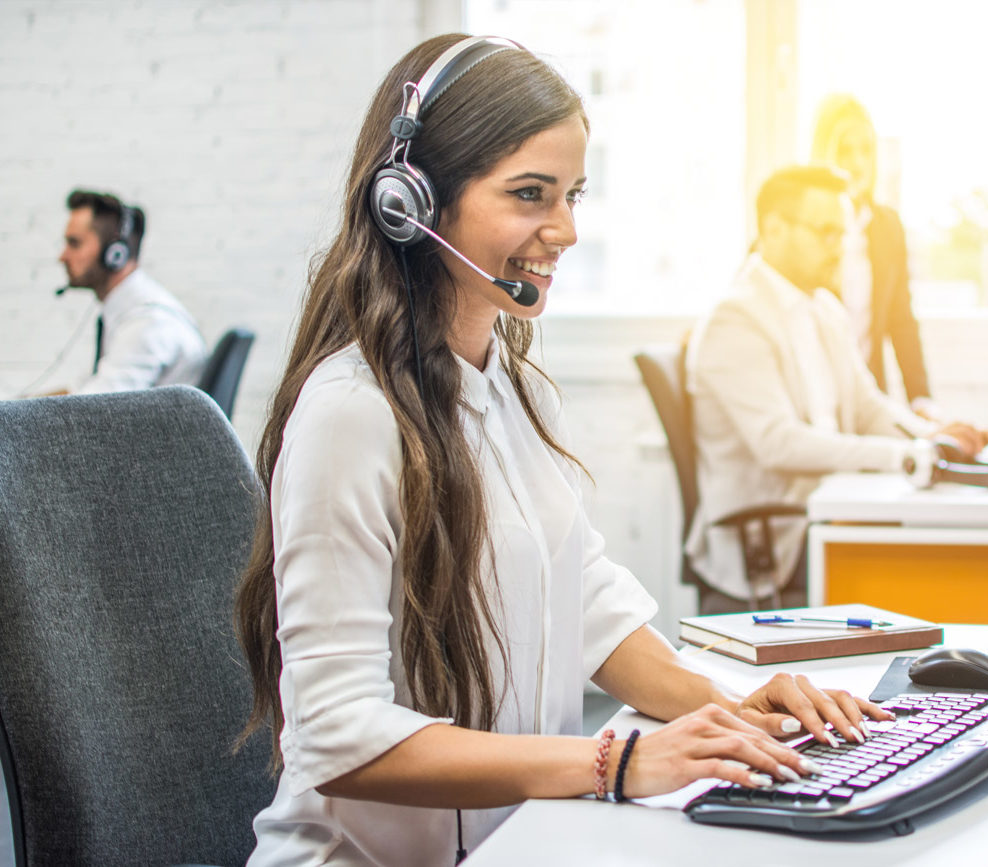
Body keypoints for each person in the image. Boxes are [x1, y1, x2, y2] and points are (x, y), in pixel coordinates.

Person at [233, 35, 891, 867]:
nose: (567, 229)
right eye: (531, 195)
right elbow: (335, 734)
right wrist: (612, 762)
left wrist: (728, 706)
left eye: (573, 193)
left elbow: (583, 598)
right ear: (412, 203)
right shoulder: (350, 414)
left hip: (520, 842)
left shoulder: (516, 384)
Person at [685, 165, 988, 615]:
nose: (839, 250)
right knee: (933, 567)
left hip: (827, 514)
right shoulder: (735, 320)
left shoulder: (824, 308)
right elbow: (777, 443)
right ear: (774, 229)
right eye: (825, 233)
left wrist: (931, 437)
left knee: (947, 552)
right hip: (776, 543)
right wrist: (902, 458)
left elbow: (868, 407)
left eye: (842, 236)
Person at [810, 95, 939, 419]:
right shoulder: (802, 226)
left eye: (865, 149)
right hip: (815, 399)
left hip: (870, 401)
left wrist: (920, 400)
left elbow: (901, 321)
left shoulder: (887, 227)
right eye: (844, 149)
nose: (856, 162)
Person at [56, 190, 207, 394]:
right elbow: (82, 389)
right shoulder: (130, 314)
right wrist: (16, 406)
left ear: (115, 254)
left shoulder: (148, 324)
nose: (63, 256)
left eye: (75, 243)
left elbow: (91, 410)